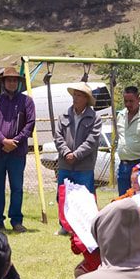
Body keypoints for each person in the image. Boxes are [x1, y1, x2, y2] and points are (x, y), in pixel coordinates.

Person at [0, 66, 36, 232]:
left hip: (17, 152)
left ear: (18, 83)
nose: (12, 83)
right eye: (9, 80)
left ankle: (16, 221)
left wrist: (15, 141)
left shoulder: (27, 101)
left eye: (15, 80)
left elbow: (30, 124)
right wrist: (3, 140)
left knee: (17, 188)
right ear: (4, 82)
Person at [53, 82, 102, 233]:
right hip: (65, 165)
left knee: (85, 198)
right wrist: (66, 153)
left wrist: (76, 154)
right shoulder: (63, 116)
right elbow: (58, 137)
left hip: (84, 166)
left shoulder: (95, 118)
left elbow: (92, 141)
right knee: (63, 196)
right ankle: (64, 226)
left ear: (86, 99)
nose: (76, 98)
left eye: (79, 95)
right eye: (75, 94)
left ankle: (86, 226)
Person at [115, 86, 140, 195]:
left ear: (139, 99)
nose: (128, 104)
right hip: (124, 166)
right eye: (125, 101)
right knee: (124, 200)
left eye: (131, 101)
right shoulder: (120, 115)